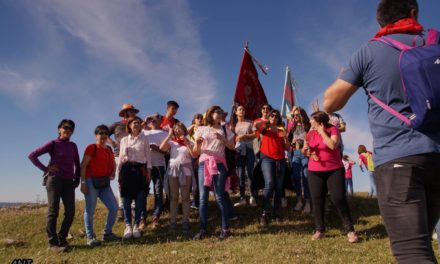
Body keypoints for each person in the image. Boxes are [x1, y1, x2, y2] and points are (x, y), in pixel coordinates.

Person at [323, 1, 440, 260]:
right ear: (413, 14)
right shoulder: (435, 42)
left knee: (413, 251)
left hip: (398, 161)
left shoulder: (371, 51)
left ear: (380, 23)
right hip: (436, 156)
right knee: (424, 244)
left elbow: (330, 102)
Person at [303, 111, 358, 243]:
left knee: (338, 198)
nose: (310, 122)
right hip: (314, 170)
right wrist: (307, 151)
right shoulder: (310, 134)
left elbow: (333, 145)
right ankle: (319, 230)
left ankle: (350, 230)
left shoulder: (333, 129)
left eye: (312, 120)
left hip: (334, 169)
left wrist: (322, 132)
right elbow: (305, 150)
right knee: (317, 200)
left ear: (320, 121)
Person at [28, 119, 80, 252]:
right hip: (55, 180)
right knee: (53, 211)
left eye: (70, 129)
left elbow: (77, 164)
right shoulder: (53, 144)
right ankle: (52, 243)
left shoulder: (73, 145)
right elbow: (32, 155)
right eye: (65, 128)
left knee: (70, 211)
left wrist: (77, 179)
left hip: (69, 182)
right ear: (59, 129)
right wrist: (46, 169)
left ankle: (62, 238)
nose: (68, 130)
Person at [193, 106, 235, 240]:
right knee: (202, 198)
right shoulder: (201, 129)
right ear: (210, 114)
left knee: (219, 196)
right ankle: (203, 230)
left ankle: (225, 229)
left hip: (219, 164)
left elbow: (232, 147)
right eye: (217, 111)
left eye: (221, 112)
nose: (219, 113)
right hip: (203, 163)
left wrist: (223, 139)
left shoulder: (225, 129)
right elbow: (195, 152)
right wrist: (198, 144)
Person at [80, 125, 120, 246]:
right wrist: (83, 183)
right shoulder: (91, 148)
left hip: (104, 183)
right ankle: (90, 237)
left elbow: (112, 163)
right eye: (100, 133)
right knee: (90, 210)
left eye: (105, 134)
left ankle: (107, 234)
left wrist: (112, 172)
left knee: (114, 207)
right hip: (91, 181)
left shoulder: (108, 149)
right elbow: (83, 165)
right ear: (95, 135)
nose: (103, 136)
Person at [117, 116, 152, 239]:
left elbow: (148, 157)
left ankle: (136, 225)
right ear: (129, 125)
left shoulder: (144, 139)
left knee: (139, 198)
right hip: (126, 170)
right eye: (133, 123)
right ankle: (128, 225)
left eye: (138, 122)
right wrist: (119, 174)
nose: (136, 124)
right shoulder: (124, 140)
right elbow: (121, 158)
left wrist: (148, 173)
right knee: (126, 199)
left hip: (140, 170)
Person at [254, 109, 290, 225]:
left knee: (279, 188)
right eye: (272, 115)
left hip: (280, 160)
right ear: (269, 117)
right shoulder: (266, 129)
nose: (274, 117)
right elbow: (256, 124)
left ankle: (276, 214)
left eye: (276, 116)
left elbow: (287, 148)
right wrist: (267, 119)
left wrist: (285, 137)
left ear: (279, 119)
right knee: (269, 184)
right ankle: (264, 213)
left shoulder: (281, 130)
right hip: (267, 159)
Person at [160, 122, 196, 233]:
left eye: (179, 128)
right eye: (175, 128)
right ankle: (173, 222)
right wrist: (169, 135)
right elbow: (162, 148)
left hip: (186, 172)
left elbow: (194, 155)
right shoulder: (172, 142)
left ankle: (185, 221)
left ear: (184, 129)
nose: (177, 130)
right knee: (173, 197)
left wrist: (187, 142)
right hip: (173, 171)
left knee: (185, 198)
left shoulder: (189, 140)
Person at [108, 103, 139, 220]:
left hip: (135, 155)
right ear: (125, 113)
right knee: (121, 181)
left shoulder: (137, 124)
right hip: (118, 155)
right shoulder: (117, 124)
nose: (132, 113)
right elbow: (104, 133)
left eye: (133, 111)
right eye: (130, 111)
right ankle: (121, 208)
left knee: (135, 181)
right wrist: (113, 143)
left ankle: (133, 207)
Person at [144, 113, 168, 229]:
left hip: (159, 166)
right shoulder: (144, 132)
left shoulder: (165, 133)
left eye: (157, 117)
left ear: (161, 120)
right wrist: (144, 122)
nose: (153, 118)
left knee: (158, 192)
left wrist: (157, 148)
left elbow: (167, 152)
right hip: (144, 166)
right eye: (152, 117)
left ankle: (155, 217)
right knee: (142, 193)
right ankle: (142, 219)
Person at [230, 105, 257, 207]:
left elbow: (255, 134)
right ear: (236, 112)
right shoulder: (233, 125)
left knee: (250, 173)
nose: (242, 111)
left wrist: (244, 136)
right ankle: (242, 198)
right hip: (239, 151)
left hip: (249, 149)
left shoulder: (250, 122)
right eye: (240, 109)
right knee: (240, 174)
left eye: (243, 109)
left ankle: (252, 197)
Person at [287, 106, 312, 214]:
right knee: (296, 177)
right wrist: (292, 142)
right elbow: (289, 141)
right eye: (294, 115)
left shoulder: (308, 126)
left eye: (297, 114)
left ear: (302, 115)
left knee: (306, 177)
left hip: (305, 153)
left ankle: (307, 202)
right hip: (295, 153)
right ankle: (299, 200)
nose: (295, 117)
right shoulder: (292, 127)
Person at [188, 113, 204, 210]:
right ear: (194, 120)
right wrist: (194, 125)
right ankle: (194, 201)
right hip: (191, 157)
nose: (200, 119)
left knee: (199, 181)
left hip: (201, 156)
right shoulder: (191, 132)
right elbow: (185, 132)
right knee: (193, 180)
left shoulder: (204, 129)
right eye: (197, 118)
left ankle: (197, 202)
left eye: (201, 118)